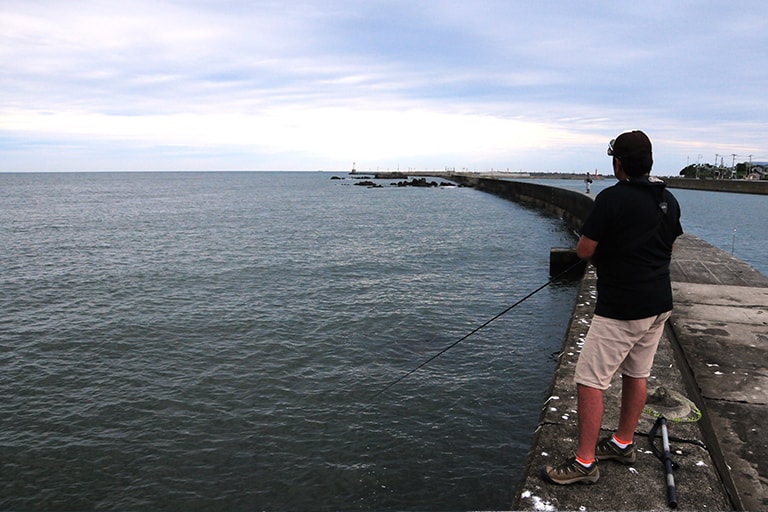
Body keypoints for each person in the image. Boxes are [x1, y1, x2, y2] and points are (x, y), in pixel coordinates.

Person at [542, 130, 683, 485]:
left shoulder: (611, 199)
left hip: (622, 308)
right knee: (637, 374)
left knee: (589, 380)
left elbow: (584, 251)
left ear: (617, 162)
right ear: (649, 162)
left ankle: (585, 462)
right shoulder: (668, 200)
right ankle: (622, 443)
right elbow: (668, 250)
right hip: (658, 304)